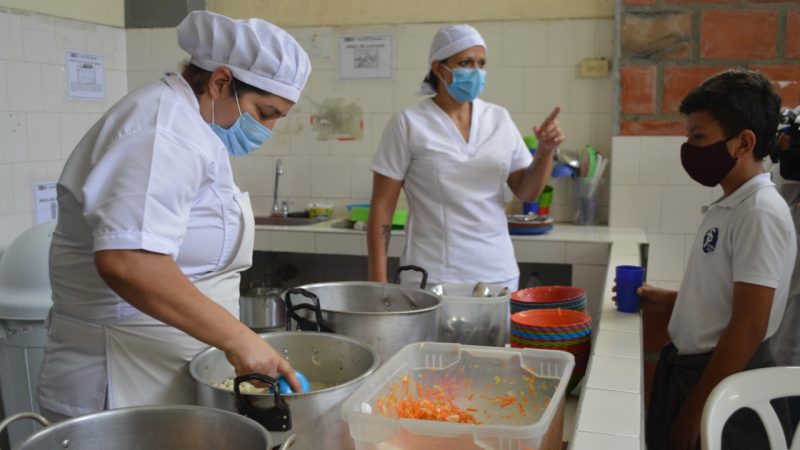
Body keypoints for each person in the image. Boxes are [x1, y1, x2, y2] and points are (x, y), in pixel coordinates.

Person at [36, 11, 311, 421]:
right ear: (220, 82)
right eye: (265, 112)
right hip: (121, 379)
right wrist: (239, 339)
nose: (267, 129)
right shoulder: (162, 129)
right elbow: (128, 262)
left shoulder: (194, 129)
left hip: (157, 374)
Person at [632, 70, 796, 450]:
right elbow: (730, 295)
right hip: (699, 372)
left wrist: (697, 408)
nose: (689, 148)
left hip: (724, 380)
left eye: (698, 137)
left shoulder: (759, 212)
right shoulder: (731, 204)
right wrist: (675, 300)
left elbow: (749, 326)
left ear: (743, 143)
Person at [367, 24, 564, 290]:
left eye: (481, 64)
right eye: (465, 62)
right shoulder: (409, 123)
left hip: (496, 273)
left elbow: (527, 192)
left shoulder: (499, 119)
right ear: (438, 68)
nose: (476, 71)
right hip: (432, 276)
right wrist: (376, 285)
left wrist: (545, 151)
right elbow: (382, 206)